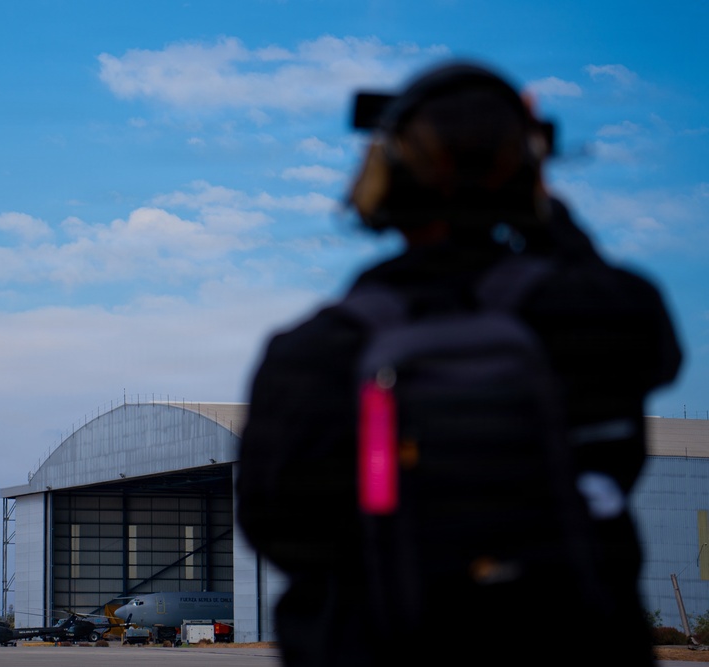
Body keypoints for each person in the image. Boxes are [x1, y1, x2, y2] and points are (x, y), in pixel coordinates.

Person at [236, 60, 681, 666]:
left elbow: (275, 527)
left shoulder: (314, 351)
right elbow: (649, 339)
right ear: (526, 175)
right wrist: (539, 197)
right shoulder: (606, 317)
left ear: (387, 177)